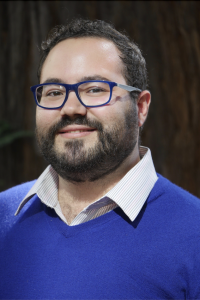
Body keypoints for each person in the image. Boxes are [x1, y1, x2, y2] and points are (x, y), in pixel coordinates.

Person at [0, 19, 200, 300]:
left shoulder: (194, 233)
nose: (70, 108)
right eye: (54, 92)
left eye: (94, 89)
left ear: (140, 107)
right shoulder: (3, 217)